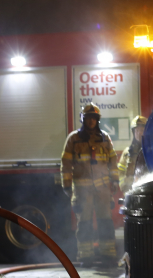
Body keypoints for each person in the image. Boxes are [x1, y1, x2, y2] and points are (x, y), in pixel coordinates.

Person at [60, 102, 120, 266]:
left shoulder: (105, 138)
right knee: (84, 224)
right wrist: (66, 185)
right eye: (88, 118)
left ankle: (108, 255)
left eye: (94, 118)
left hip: (102, 190)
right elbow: (65, 164)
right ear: (83, 119)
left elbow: (113, 161)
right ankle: (86, 257)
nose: (91, 121)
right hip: (82, 191)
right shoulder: (73, 139)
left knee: (105, 222)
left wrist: (115, 180)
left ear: (97, 120)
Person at [117, 115, 147, 193]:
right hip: (131, 193)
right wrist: (124, 187)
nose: (139, 133)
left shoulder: (151, 151)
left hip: (148, 192)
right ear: (133, 133)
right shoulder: (127, 153)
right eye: (137, 130)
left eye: (142, 130)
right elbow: (120, 172)